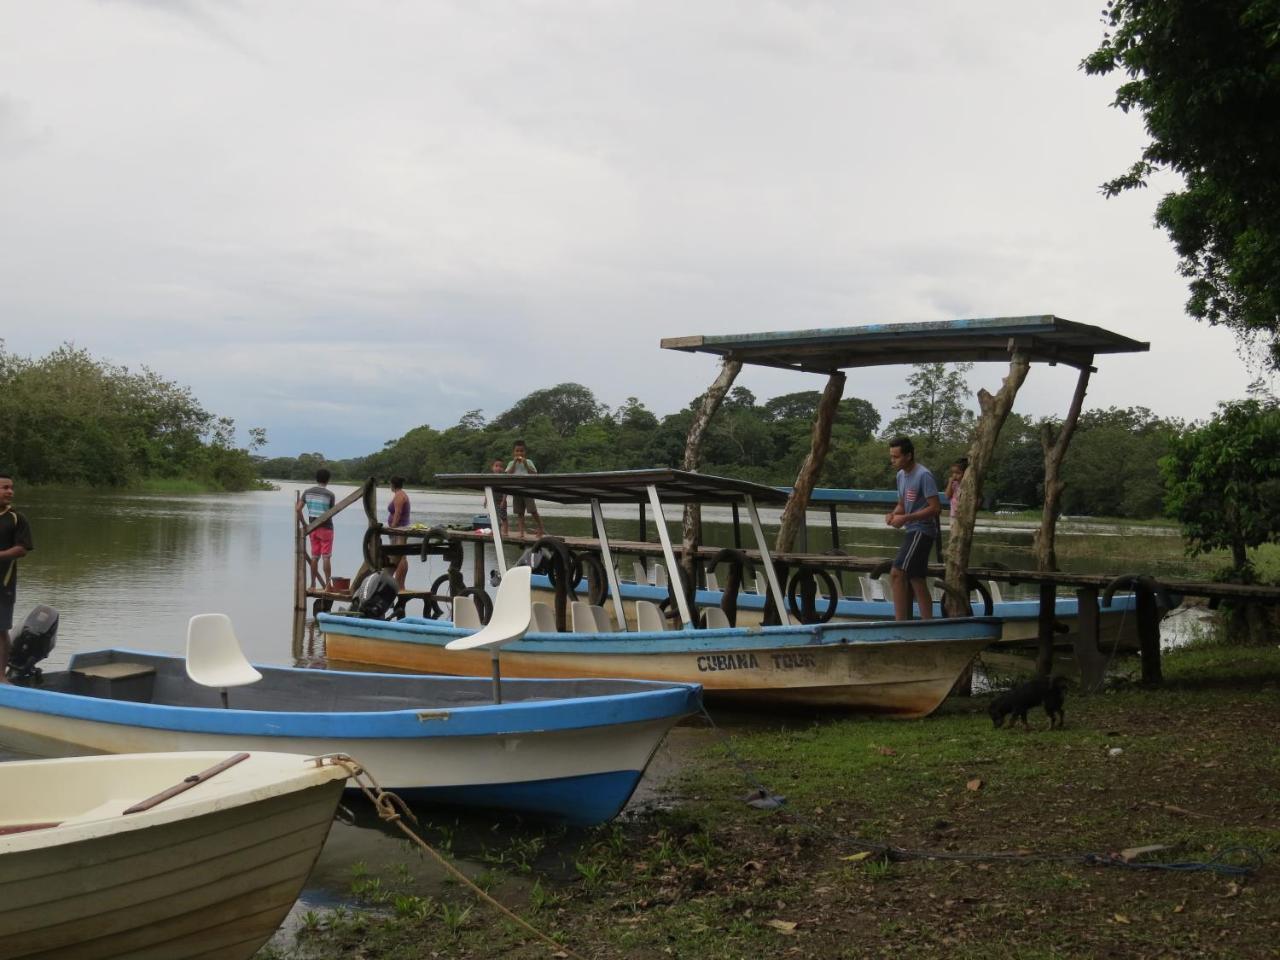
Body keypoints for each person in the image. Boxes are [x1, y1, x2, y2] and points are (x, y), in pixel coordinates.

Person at [884, 437, 940, 621]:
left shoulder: (924, 475)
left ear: (908, 455)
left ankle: (900, 623)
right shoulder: (900, 475)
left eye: (896, 457)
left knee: (897, 573)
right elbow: (903, 503)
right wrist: (893, 515)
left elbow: (935, 508)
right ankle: (927, 624)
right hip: (912, 530)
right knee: (917, 579)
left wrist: (906, 518)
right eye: (891, 456)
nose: (893, 460)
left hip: (922, 531)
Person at [0, 472, 35, 683]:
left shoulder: (16, 518)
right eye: (5, 488)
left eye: (11, 487)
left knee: (0, 631)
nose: (10, 491)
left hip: (3, 584)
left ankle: (1, 678)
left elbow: (22, 549)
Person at [296, 468, 336, 591]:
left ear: (316, 478)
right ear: (328, 480)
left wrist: (304, 524)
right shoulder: (330, 495)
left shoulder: (307, 492)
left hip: (312, 528)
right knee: (326, 557)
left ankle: (313, 585)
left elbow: (298, 509)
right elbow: (331, 512)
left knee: (314, 556)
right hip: (326, 528)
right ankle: (328, 585)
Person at [505, 439, 545, 538]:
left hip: (527, 489)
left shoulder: (529, 462)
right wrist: (514, 463)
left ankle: (541, 528)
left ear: (525, 452)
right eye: (517, 451)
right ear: (513, 452)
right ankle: (521, 532)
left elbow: (534, 474)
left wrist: (526, 464)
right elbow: (508, 474)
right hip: (516, 490)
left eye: (521, 451)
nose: (519, 453)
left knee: (532, 510)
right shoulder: (511, 463)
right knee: (519, 512)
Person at [387, 476, 411, 590]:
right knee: (402, 556)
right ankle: (400, 583)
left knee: (400, 556)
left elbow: (398, 512)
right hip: (401, 528)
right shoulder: (400, 494)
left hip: (400, 529)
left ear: (393, 484)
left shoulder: (399, 495)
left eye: (390, 484)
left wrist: (393, 527)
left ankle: (398, 582)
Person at [491, 458, 509, 536]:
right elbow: (488, 489)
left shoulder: (503, 478)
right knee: (493, 516)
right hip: (493, 500)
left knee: (503, 516)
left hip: (501, 500)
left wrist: (503, 501)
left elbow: (506, 490)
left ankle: (505, 531)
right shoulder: (490, 477)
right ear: (492, 467)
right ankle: (494, 530)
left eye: (500, 466)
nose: (498, 468)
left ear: (503, 469)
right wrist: (486, 500)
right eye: (496, 466)